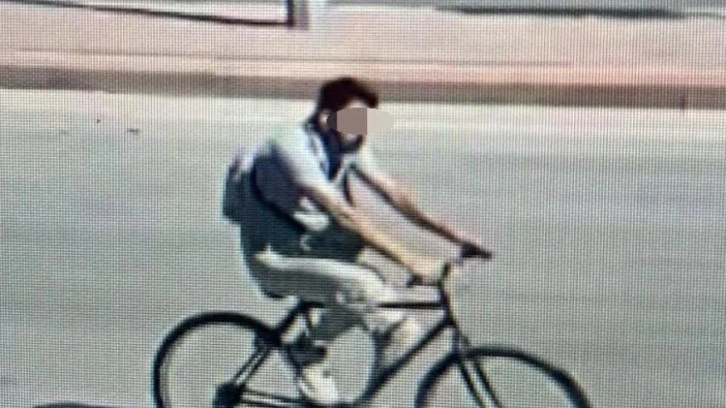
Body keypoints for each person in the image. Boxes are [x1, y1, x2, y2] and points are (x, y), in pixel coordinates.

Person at [226, 77, 490, 406]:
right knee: (361, 285)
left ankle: (365, 391)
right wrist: (412, 261)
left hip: (312, 249)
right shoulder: (289, 147)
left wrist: (454, 236)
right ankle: (305, 350)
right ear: (327, 117)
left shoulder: (346, 144)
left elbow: (393, 193)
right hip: (273, 259)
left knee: (403, 331)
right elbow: (343, 213)